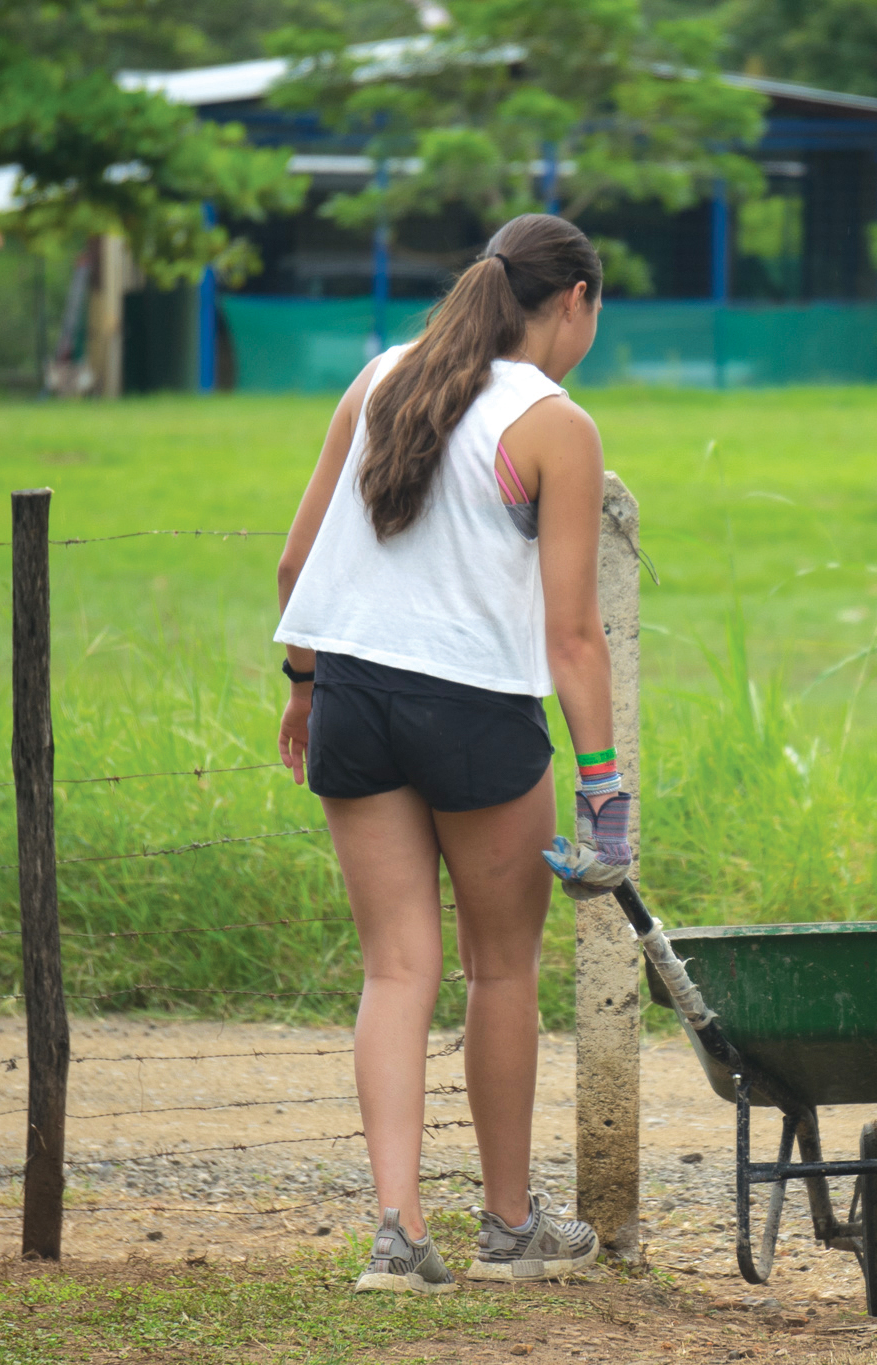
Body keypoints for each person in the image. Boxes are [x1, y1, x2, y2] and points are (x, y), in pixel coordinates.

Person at [274, 213, 634, 1294]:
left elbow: (298, 561)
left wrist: (302, 689)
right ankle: (510, 1226)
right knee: (501, 968)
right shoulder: (554, 422)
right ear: (573, 300)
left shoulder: (379, 376)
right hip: (473, 709)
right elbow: (571, 634)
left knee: (395, 969)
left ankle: (397, 1235)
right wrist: (603, 785)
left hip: (350, 695)